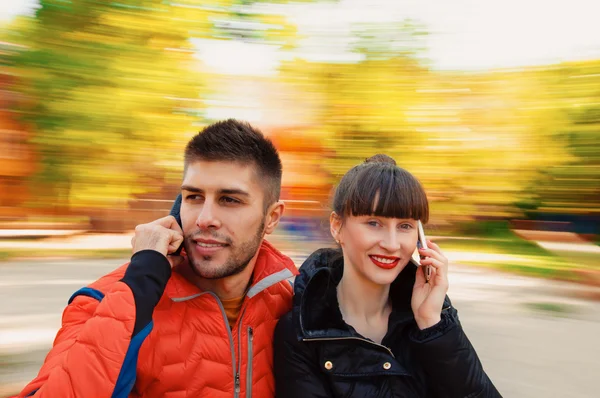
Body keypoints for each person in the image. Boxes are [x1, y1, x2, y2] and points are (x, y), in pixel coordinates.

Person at [17, 119, 298, 398]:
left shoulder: (294, 297)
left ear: (271, 217)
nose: (204, 219)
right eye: (193, 197)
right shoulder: (105, 300)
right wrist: (141, 284)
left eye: (230, 200)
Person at [273, 154, 501, 397]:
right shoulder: (300, 332)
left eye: (405, 226)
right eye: (374, 223)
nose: (392, 245)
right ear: (337, 226)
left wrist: (432, 326)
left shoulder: (434, 318)